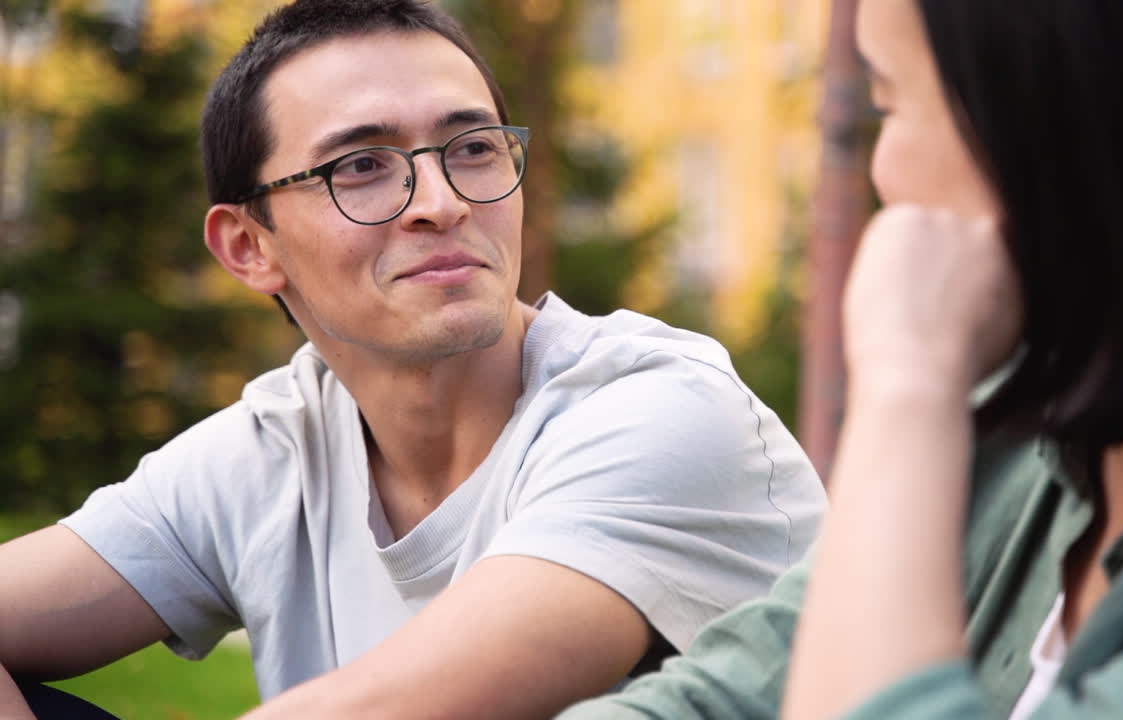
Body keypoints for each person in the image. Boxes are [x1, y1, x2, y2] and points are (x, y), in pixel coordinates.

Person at [0, 1, 827, 718]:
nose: (442, 203)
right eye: (361, 167)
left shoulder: (665, 413)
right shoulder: (275, 449)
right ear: (250, 247)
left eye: (473, 149)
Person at [560, 1, 1123, 718]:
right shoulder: (1014, 437)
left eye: (889, 106)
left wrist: (907, 383)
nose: (881, 174)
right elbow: (728, 691)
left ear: (1065, 118)